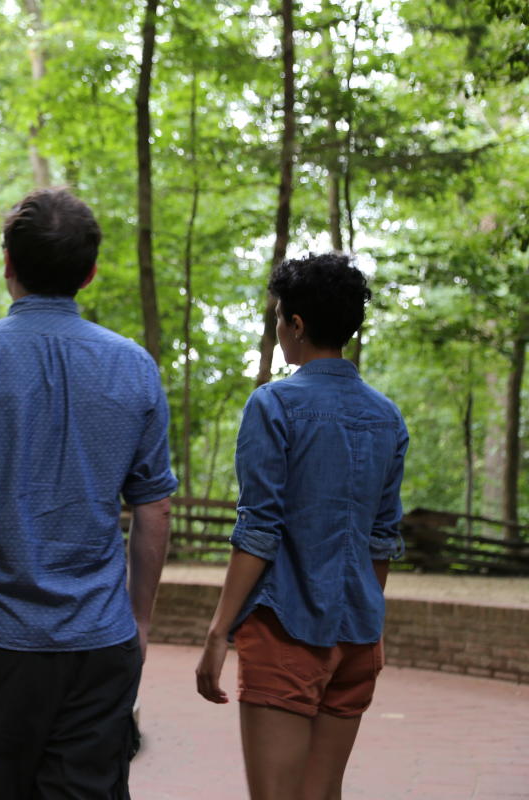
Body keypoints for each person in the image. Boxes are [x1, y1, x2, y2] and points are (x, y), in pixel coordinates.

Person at [0, 186, 177, 799]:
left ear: (7, 263)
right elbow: (154, 507)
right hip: (99, 640)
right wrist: (140, 621)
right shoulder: (135, 367)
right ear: (91, 273)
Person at [195, 252, 408, 800]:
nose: (277, 329)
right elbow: (382, 538)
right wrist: (360, 618)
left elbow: (259, 530)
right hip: (359, 637)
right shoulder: (387, 416)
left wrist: (219, 631)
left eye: (278, 318)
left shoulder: (275, 405)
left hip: (286, 630)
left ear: (297, 324)